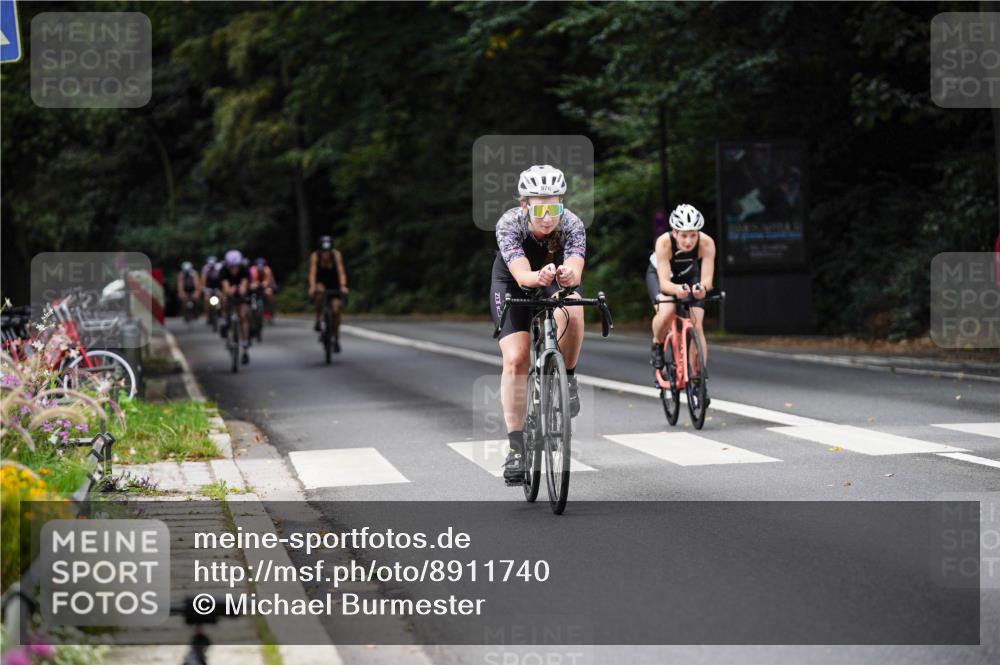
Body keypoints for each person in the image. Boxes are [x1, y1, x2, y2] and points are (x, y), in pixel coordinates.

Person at [491, 164, 586, 485]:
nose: (548, 217)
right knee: (516, 359)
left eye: (555, 207)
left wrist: (570, 274)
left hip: (553, 278)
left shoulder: (572, 223)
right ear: (524, 205)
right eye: (540, 208)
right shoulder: (509, 223)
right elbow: (521, 275)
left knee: (573, 309)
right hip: (513, 281)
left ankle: (568, 378)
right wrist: (537, 276)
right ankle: (516, 448)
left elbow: (574, 265)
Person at [647, 203, 716, 381]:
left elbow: (707, 280)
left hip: (689, 276)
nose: (688, 241)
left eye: (693, 235)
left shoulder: (707, 243)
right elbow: (664, 284)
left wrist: (702, 289)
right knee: (667, 311)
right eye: (683, 235)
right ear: (674, 232)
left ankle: (697, 374)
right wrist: (677, 290)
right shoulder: (664, 242)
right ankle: (657, 342)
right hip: (661, 276)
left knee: (697, 322)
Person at [308, 236, 348, 351]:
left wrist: (343, 286)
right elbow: (312, 272)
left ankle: (336, 337)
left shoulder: (336, 255)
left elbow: (341, 272)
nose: (326, 254)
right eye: (323, 252)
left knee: (336, 310)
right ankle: (318, 319)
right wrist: (312, 286)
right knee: (319, 294)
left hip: (334, 282)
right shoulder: (315, 256)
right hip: (321, 281)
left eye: (328, 252)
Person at [220, 249, 251, 364]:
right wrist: (229, 291)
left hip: (240, 291)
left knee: (243, 315)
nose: (234, 269)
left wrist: (241, 289)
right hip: (228, 291)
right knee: (224, 299)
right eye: (231, 267)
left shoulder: (244, 270)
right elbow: (225, 286)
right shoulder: (223, 271)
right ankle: (225, 320)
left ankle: (245, 343)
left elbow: (244, 284)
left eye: (236, 266)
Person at [250, 257, 277, 321]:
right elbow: (252, 281)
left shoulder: (267, 270)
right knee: (251, 294)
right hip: (255, 286)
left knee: (269, 294)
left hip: (266, 285)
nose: (260, 269)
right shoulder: (252, 270)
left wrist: (266, 285)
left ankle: (269, 311)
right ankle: (252, 309)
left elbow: (268, 281)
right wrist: (254, 284)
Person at [202, 256, 222, 322]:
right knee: (206, 299)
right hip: (209, 287)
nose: (212, 267)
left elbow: (222, 279)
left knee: (222, 297)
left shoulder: (219, 268)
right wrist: (204, 289)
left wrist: (221, 289)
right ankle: (207, 315)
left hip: (217, 286)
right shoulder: (205, 269)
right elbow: (203, 280)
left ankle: (222, 311)